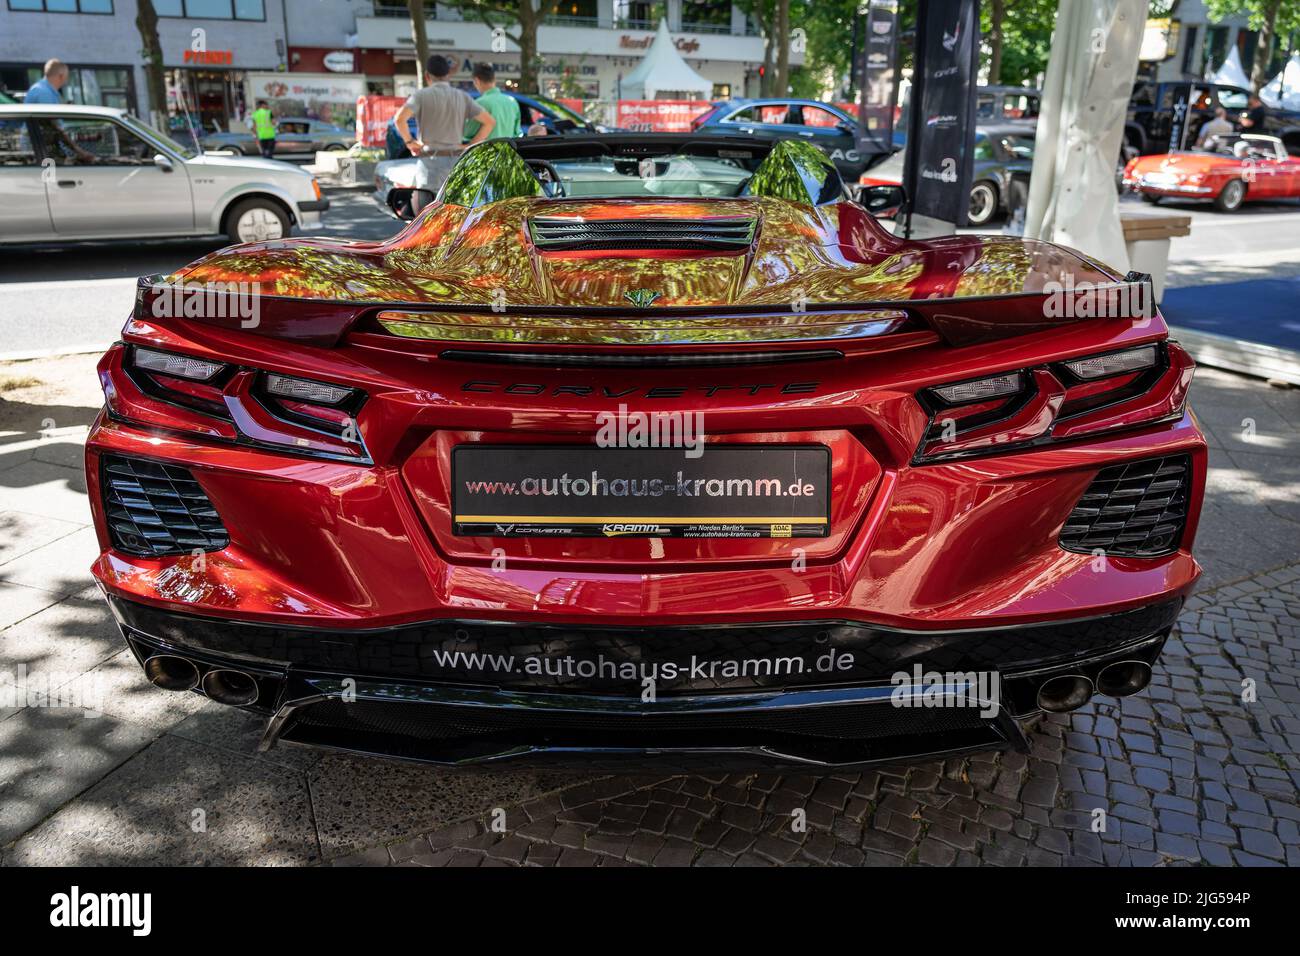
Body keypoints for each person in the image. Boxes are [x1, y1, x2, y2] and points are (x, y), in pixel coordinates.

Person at [392, 54, 495, 211]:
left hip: (429, 162)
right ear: (448, 75)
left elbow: (400, 119)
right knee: (454, 215)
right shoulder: (462, 97)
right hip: (456, 162)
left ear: (427, 76)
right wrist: (470, 146)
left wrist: (410, 143)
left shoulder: (420, 96)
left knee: (427, 217)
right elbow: (489, 122)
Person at [465, 63, 520, 140]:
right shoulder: (512, 102)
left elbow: (467, 133)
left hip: (485, 151)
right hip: (508, 150)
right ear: (494, 79)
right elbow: (517, 132)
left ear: (477, 81)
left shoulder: (479, 103)